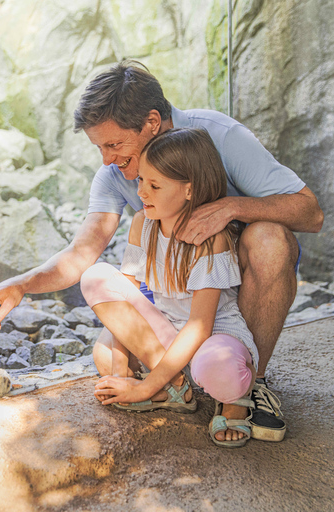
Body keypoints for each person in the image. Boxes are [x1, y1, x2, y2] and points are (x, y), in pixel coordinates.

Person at [0, 61, 324, 442]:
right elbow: (83, 252)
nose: (107, 159)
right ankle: (179, 381)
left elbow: (310, 213)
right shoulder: (115, 173)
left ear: (151, 122)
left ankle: (251, 385)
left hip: (228, 291)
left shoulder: (221, 135)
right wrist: (20, 284)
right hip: (173, 298)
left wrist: (233, 207)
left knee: (269, 239)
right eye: (99, 148)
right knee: (105, 357)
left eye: (113, 145)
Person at [83, 127, 256, 447]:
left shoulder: (211, 240)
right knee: (98, 290)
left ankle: (232, 401)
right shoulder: (142, 224)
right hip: (164, 334)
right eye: (140, 182)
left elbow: (199, 327)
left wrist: (142, 388)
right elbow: (125, 299)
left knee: (219, 368)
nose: (142, 193)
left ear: (188, 190)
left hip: (209, 337)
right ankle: (175, 386)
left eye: (154, 185)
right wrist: (121, 370)